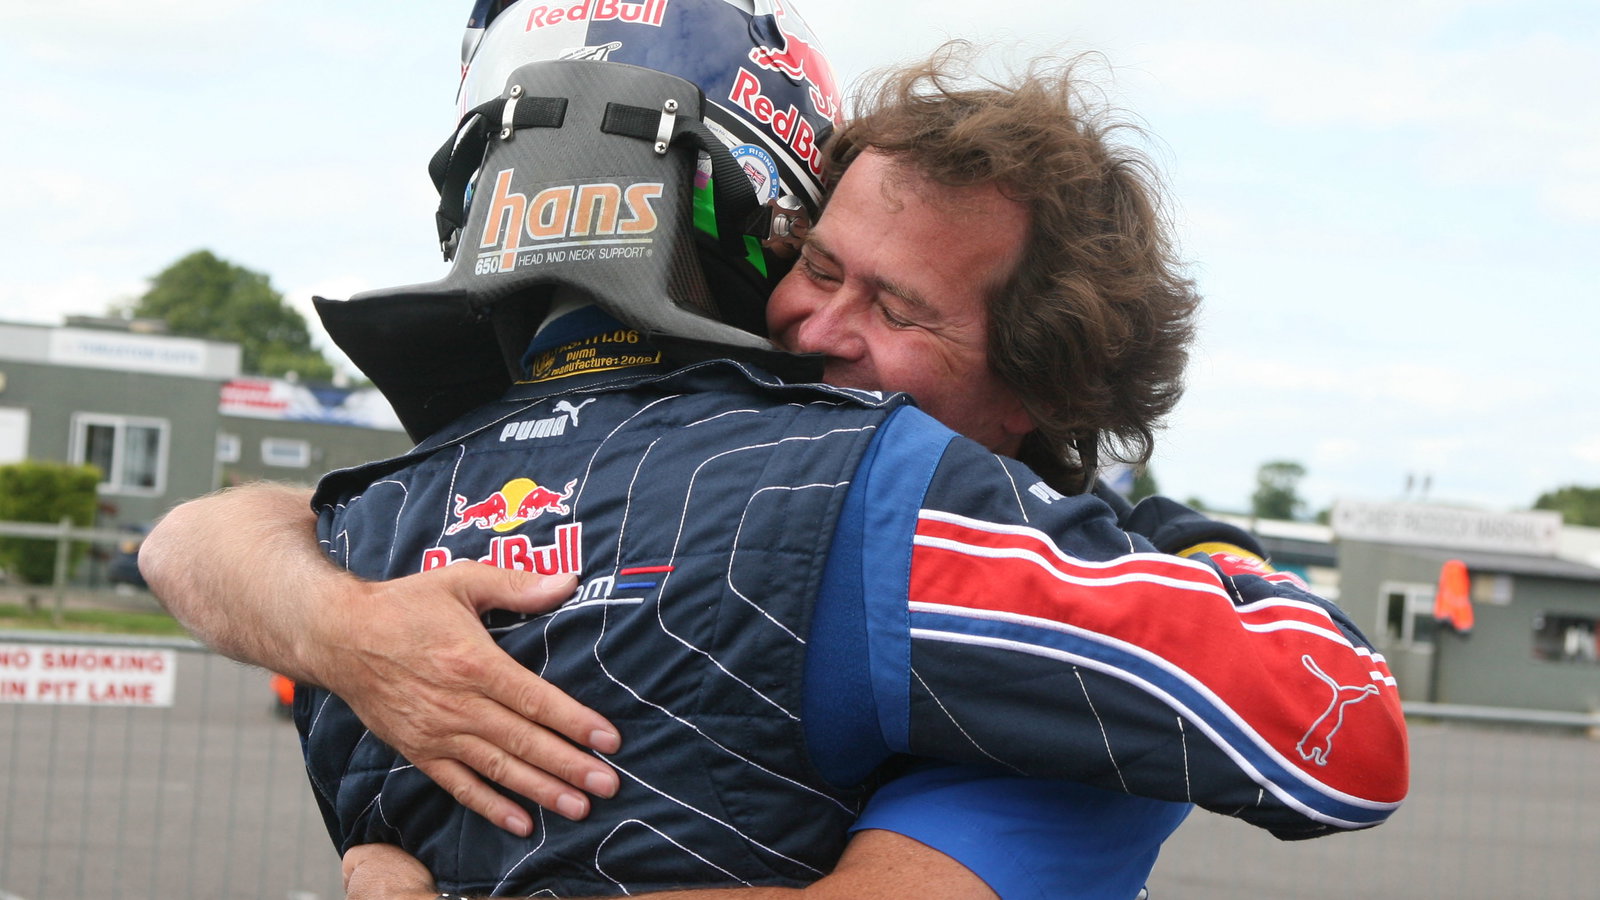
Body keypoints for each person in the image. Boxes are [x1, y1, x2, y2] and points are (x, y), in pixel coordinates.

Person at [143, 6, 1408, 898]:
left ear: (1037, 385)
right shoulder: (928, 528)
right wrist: (338, 626)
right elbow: (1346, 729)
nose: (816, 329)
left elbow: (209, 536)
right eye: (814, 266)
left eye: (898, 310)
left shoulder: (387, 527)